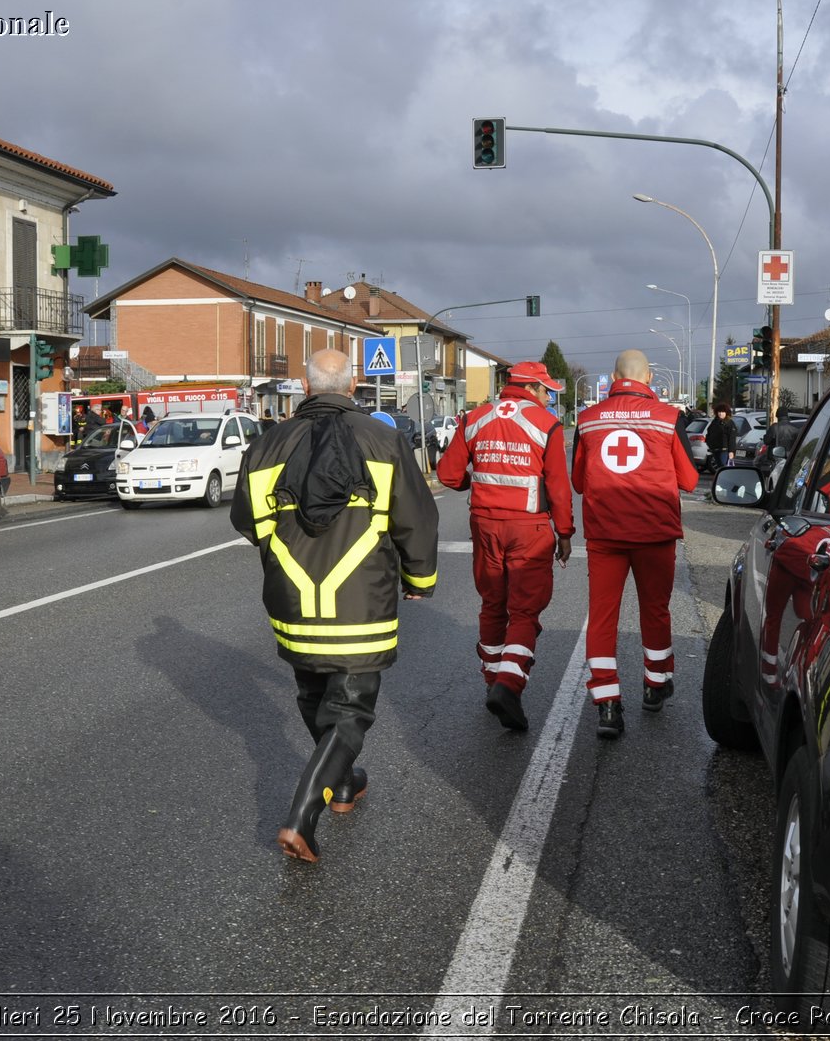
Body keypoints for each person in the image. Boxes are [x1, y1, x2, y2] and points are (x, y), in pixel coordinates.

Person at [230, 348, 439, 864]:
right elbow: (418, 517)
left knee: (312, 690)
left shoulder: (267, 444)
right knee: (349, 710)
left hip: (292, 596)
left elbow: (245, 520)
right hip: (361, 599)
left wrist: (281, 543)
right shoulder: (385, 440)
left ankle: (342, 782)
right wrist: (420, 578)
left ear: (304, 387)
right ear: (352, 388)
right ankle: (302, 816)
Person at [436, 360, 574, 732]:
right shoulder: (546, 424)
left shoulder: (475, 417)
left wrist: (477, 484)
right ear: (530, 388)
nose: (547, 398)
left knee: (493, 603)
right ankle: (509, 686)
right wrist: (565, 533)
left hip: (484, 524)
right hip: (529, 528)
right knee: (525, 611)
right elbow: (559, 487)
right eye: (545, 391)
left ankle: (492, 678)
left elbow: (448, 474)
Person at [572, 348, 700, 738]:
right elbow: (691, 481)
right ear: (647, 379)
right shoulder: (668, 418)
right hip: (655, 534)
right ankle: (655, 684)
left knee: (603, 615)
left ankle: (607, 705)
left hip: (605, 535)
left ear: (614, 377)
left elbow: (578, 481)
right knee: (656, 610)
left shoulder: (588, 420)